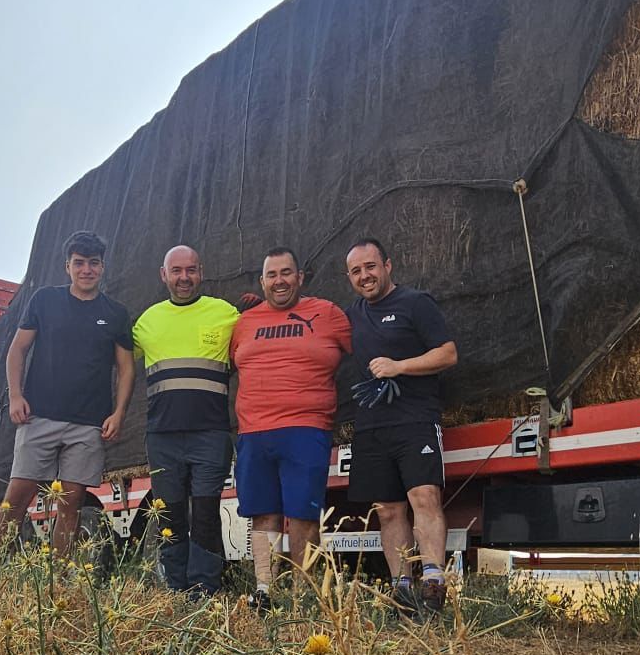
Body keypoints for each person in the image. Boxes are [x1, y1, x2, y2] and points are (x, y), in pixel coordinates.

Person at [0, 231, 135, 555]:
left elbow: (126, 368)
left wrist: (120, 413)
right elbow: (17, 350)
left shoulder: (115, 313)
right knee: (16, 498)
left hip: (88, 423)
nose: (87, 270)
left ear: (102, 267)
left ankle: (59, 582)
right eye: (79, 263)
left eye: (94, 263)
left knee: (71, 505)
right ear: (67, 266)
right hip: (39, 416)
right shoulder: (44, 300)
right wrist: (16, 396)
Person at [230, 247, 351, 607]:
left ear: (300, 277)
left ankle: (303, 594)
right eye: (272, 275)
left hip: (307, 429)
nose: (279, 281)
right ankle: (264, 590)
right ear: (262, 281)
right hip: (253, 432)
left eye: (286, 273)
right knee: (263, 512)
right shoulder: (244, 323)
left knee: (302, 513)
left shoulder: (329, 314)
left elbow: (367, 345)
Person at [344, 237, 458, 612]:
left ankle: (434, 584)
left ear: (388, 266)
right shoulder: (353, 314)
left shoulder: (415, 303)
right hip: (371, 427)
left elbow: (448, 353)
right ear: (350, 277)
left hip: (415, 419)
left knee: (423, 497)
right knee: (388, 510)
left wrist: (399, 366)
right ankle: (402, 588)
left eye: (371, 266)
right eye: (357, 271)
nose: (365, 276)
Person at [130, 245, 239, 596]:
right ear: (163, 275)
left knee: (206, 512)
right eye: (176, 271)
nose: (184, 277)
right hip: (162, 436)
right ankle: (176, 589)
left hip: (211, 434)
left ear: (201, 272)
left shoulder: (226, 314)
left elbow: (256, 337)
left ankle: (204, 590)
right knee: (171, 514)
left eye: (191, 270)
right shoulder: (146, 321)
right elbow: (111, 357)